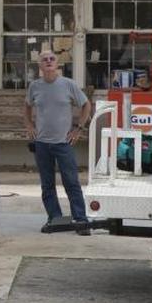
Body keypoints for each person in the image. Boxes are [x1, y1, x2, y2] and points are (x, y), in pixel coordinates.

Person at [24, 51, 93, 234]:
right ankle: (55, 219)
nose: (48, 61)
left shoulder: (68, 85)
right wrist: (29, 124)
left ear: (57, 64)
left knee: (71, 182)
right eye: (44, 59)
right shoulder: (34, 87)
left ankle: (81, 220)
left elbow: (86, 105)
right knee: (47, 185)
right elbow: (27, 106)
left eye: (52, 59)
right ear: (39, 65)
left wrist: (79, 128)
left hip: (63, 143)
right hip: (41, 144)